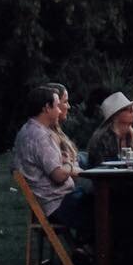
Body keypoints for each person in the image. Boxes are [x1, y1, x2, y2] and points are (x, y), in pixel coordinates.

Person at [12, 83, 92, 238]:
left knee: (97, 200)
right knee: (104, 207)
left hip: (53, 201)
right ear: (46, 108)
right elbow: (58, 176)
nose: (60, 110)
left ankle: (85, 249)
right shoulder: (40, 137)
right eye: (57, 106)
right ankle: (90, 251)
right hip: (57, 204)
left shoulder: (28, 130)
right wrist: (68, 163)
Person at [86, 90, 133, 166]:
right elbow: (102, 167)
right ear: (116, 115)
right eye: (129, 109)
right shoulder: (103, 138)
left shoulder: (130, 135)